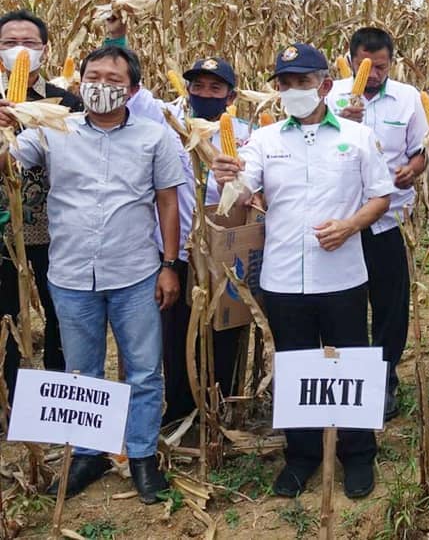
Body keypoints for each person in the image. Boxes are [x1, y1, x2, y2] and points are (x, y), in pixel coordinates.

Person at [0, 45, 184, 504]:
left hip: (136, 272)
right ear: (79, 83)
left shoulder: (154, 136)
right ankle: (89, 452)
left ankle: (141, 455)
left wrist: (169, 266)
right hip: (70, 274)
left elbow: (167, 202)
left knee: (143, 371)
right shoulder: (51, 129)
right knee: (82, 373)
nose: (102, 85)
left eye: (113, 78)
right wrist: (4, 131)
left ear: (133, 89)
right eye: (94, 76)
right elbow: (10, 165)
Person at [212, 43, 393, 499]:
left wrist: (351, 225)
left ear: (325, 86)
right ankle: (302, 454)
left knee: (349, 362)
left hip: (343, 276)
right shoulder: (265, 142)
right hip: (283, 278)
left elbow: (381, 196)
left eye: (303, 82)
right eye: (286, 83)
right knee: (295, 366)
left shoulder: (355, 138)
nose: (294, 91)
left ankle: (357, 453)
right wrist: (224, 175)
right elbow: (240, 188)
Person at [328, 27, 428, 419]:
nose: (373, 75)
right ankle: (351, 377)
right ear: (350, 60)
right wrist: (341, 121)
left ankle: (385, 377)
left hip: (389, 222)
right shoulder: (330, 96)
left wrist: (411, 170)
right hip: (342, 222)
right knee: (345, 303)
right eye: (366, 67)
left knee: (390, 305)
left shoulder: (408, 99)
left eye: (382, 67)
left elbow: (422, 150)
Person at [158, 57, 251, 423]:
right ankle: (179, 409)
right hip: (178, 250)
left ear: (231, 96)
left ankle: (219, 405)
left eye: (215, 88)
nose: (205, 94)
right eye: (197, 87)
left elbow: (255, 190)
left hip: (224, 252)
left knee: (223, 330)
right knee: (177, 333)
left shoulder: (247, 134)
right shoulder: (169, 128)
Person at [0, 10, 81, 403]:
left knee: (61, 311)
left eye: (29, 43)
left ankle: (58, 397)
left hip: (56, 229)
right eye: (9, 43)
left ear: (45, 50)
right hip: (2, 233)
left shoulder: (66, 102)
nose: (20, 50)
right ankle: (10, 397)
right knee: (5, 316)